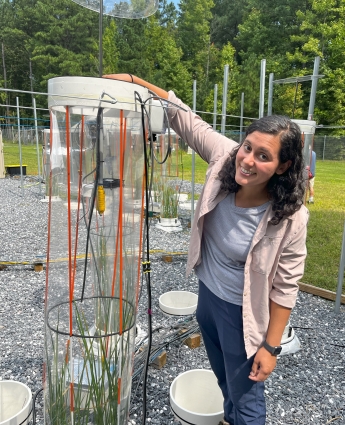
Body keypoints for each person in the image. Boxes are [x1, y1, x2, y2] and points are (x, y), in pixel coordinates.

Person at [103, 74, 309, 425]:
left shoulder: (289, 218)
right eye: (248, 147)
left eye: (264, 156)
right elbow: (183, 118)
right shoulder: (223, 159)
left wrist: (271, 347)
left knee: (247, 403)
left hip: (241, 315)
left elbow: (286, 287)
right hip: (207, 301)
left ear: (283, 166)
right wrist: (136, 80)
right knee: (226, 384)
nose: (248, 160)